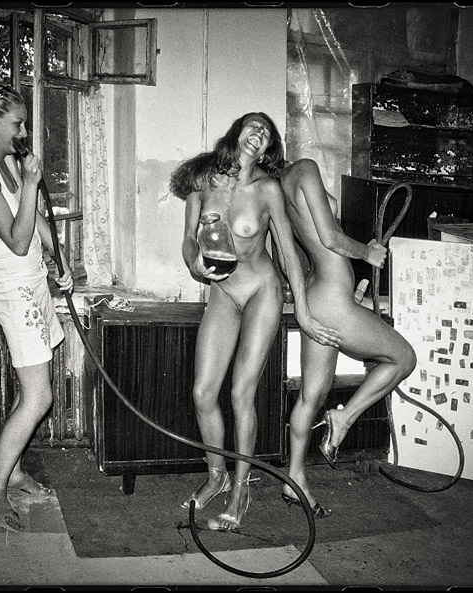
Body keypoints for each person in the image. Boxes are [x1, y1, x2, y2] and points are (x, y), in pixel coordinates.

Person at [170, 113, 340, 532]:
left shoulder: (267, 189)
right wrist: (194, 265)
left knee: (240, 394)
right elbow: (189, 241)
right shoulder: (204, 181)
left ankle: (241, 491)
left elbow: (288, 254)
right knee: (202, 393)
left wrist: (302, 311)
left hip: (262, 291)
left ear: (267, 148)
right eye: (253, 125)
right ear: (236, 133)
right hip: (223, 292)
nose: (259, 133)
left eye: (266, 132)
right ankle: (217, 476)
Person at [0, 81, 73, 533]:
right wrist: (30, 183)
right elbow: (16, 239)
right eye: (17, 123)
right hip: (12, 289)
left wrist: (61, 259)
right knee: (40, 397)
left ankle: (16, 472)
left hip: (33, 283)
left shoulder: (5, 160)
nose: (23, 132)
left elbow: (36, 222)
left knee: (31, 391)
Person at [278, 158, 417, 514]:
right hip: (333, 302)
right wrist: (367, 253)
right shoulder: (304, 168)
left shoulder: (277, 187)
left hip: (319, 296)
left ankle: (294, 481)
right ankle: (345, 417)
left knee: (311, 395)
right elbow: (330, 238)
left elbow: (288, 257)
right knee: (404, 359)